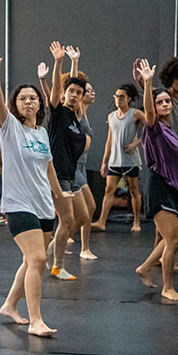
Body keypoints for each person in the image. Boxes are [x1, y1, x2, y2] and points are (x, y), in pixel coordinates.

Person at [0, 52, 69, 336]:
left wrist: (60, 199)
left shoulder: (43, 134)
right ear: (16, 104)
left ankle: (10, 304)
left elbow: (49, 169)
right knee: (38, 261)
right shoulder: (10, 128)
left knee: (30, 261)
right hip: (19, 205)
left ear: (40, 104)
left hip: (44, 206)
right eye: (22, 98)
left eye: (32, 98)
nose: (27, 102)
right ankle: (36, 321)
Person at [133, 59, 178, 303]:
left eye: (167, 101)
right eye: (160, 102)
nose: (165, 104)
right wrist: (147, 84)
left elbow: (170, 149)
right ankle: (167, 287)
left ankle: (145, 266)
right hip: (159, 186)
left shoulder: (170, 128)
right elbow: (148, 108)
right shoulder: (153, 126)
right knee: (173, 239)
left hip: (175, 187)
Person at [45, 41, 89, 280]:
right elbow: (57, 86)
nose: (74, 95)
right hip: (56, 174)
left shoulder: (75, 116)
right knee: (67, 219)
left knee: (82, 217)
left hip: (70, 175)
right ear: (63, 94)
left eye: (78, 93)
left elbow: (75, 83)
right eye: (70, 92)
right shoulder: (58, 113)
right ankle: (57, 265)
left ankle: (49, 251)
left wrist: (75, 62)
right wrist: (60, 61)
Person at [94, 83, 146, 232]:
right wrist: (104, 162)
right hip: (114, 160)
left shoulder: (136, 113)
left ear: (128, 99)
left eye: (121, 97)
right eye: (116, 96)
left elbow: (150, 129)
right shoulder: (111, 116)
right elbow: (109, 141)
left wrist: (136, 143)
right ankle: (102, 221)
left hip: (131, 160)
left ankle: (136, 222)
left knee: (134, 190)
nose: (118, 99)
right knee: (109, 189)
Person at [74, 80, 99, 258]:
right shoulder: (78, 110)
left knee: (85, 210)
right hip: (74, 167)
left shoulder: (86, 114)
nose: (92, 93)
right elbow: (73, 83)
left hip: (82, 166)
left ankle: (84, 248)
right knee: (88, 207)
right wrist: (74, 62)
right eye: (88, 91)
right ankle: (81, 248)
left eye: (92, 90)